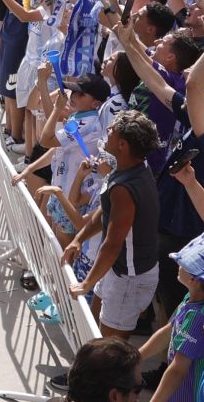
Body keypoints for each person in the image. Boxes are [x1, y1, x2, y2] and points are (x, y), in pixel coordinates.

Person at [65, 108, 162, 340]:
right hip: (117, 270)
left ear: (123, 145)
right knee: (95, 328)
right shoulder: (130, 170)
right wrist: (79, 239)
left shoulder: (124, 189)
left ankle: (98, 376)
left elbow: (112, 244)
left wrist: (86, 283)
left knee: (110, 347)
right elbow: (104, 212)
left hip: (129, 277)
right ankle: (86, 373)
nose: (108, 131)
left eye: (113, 130)